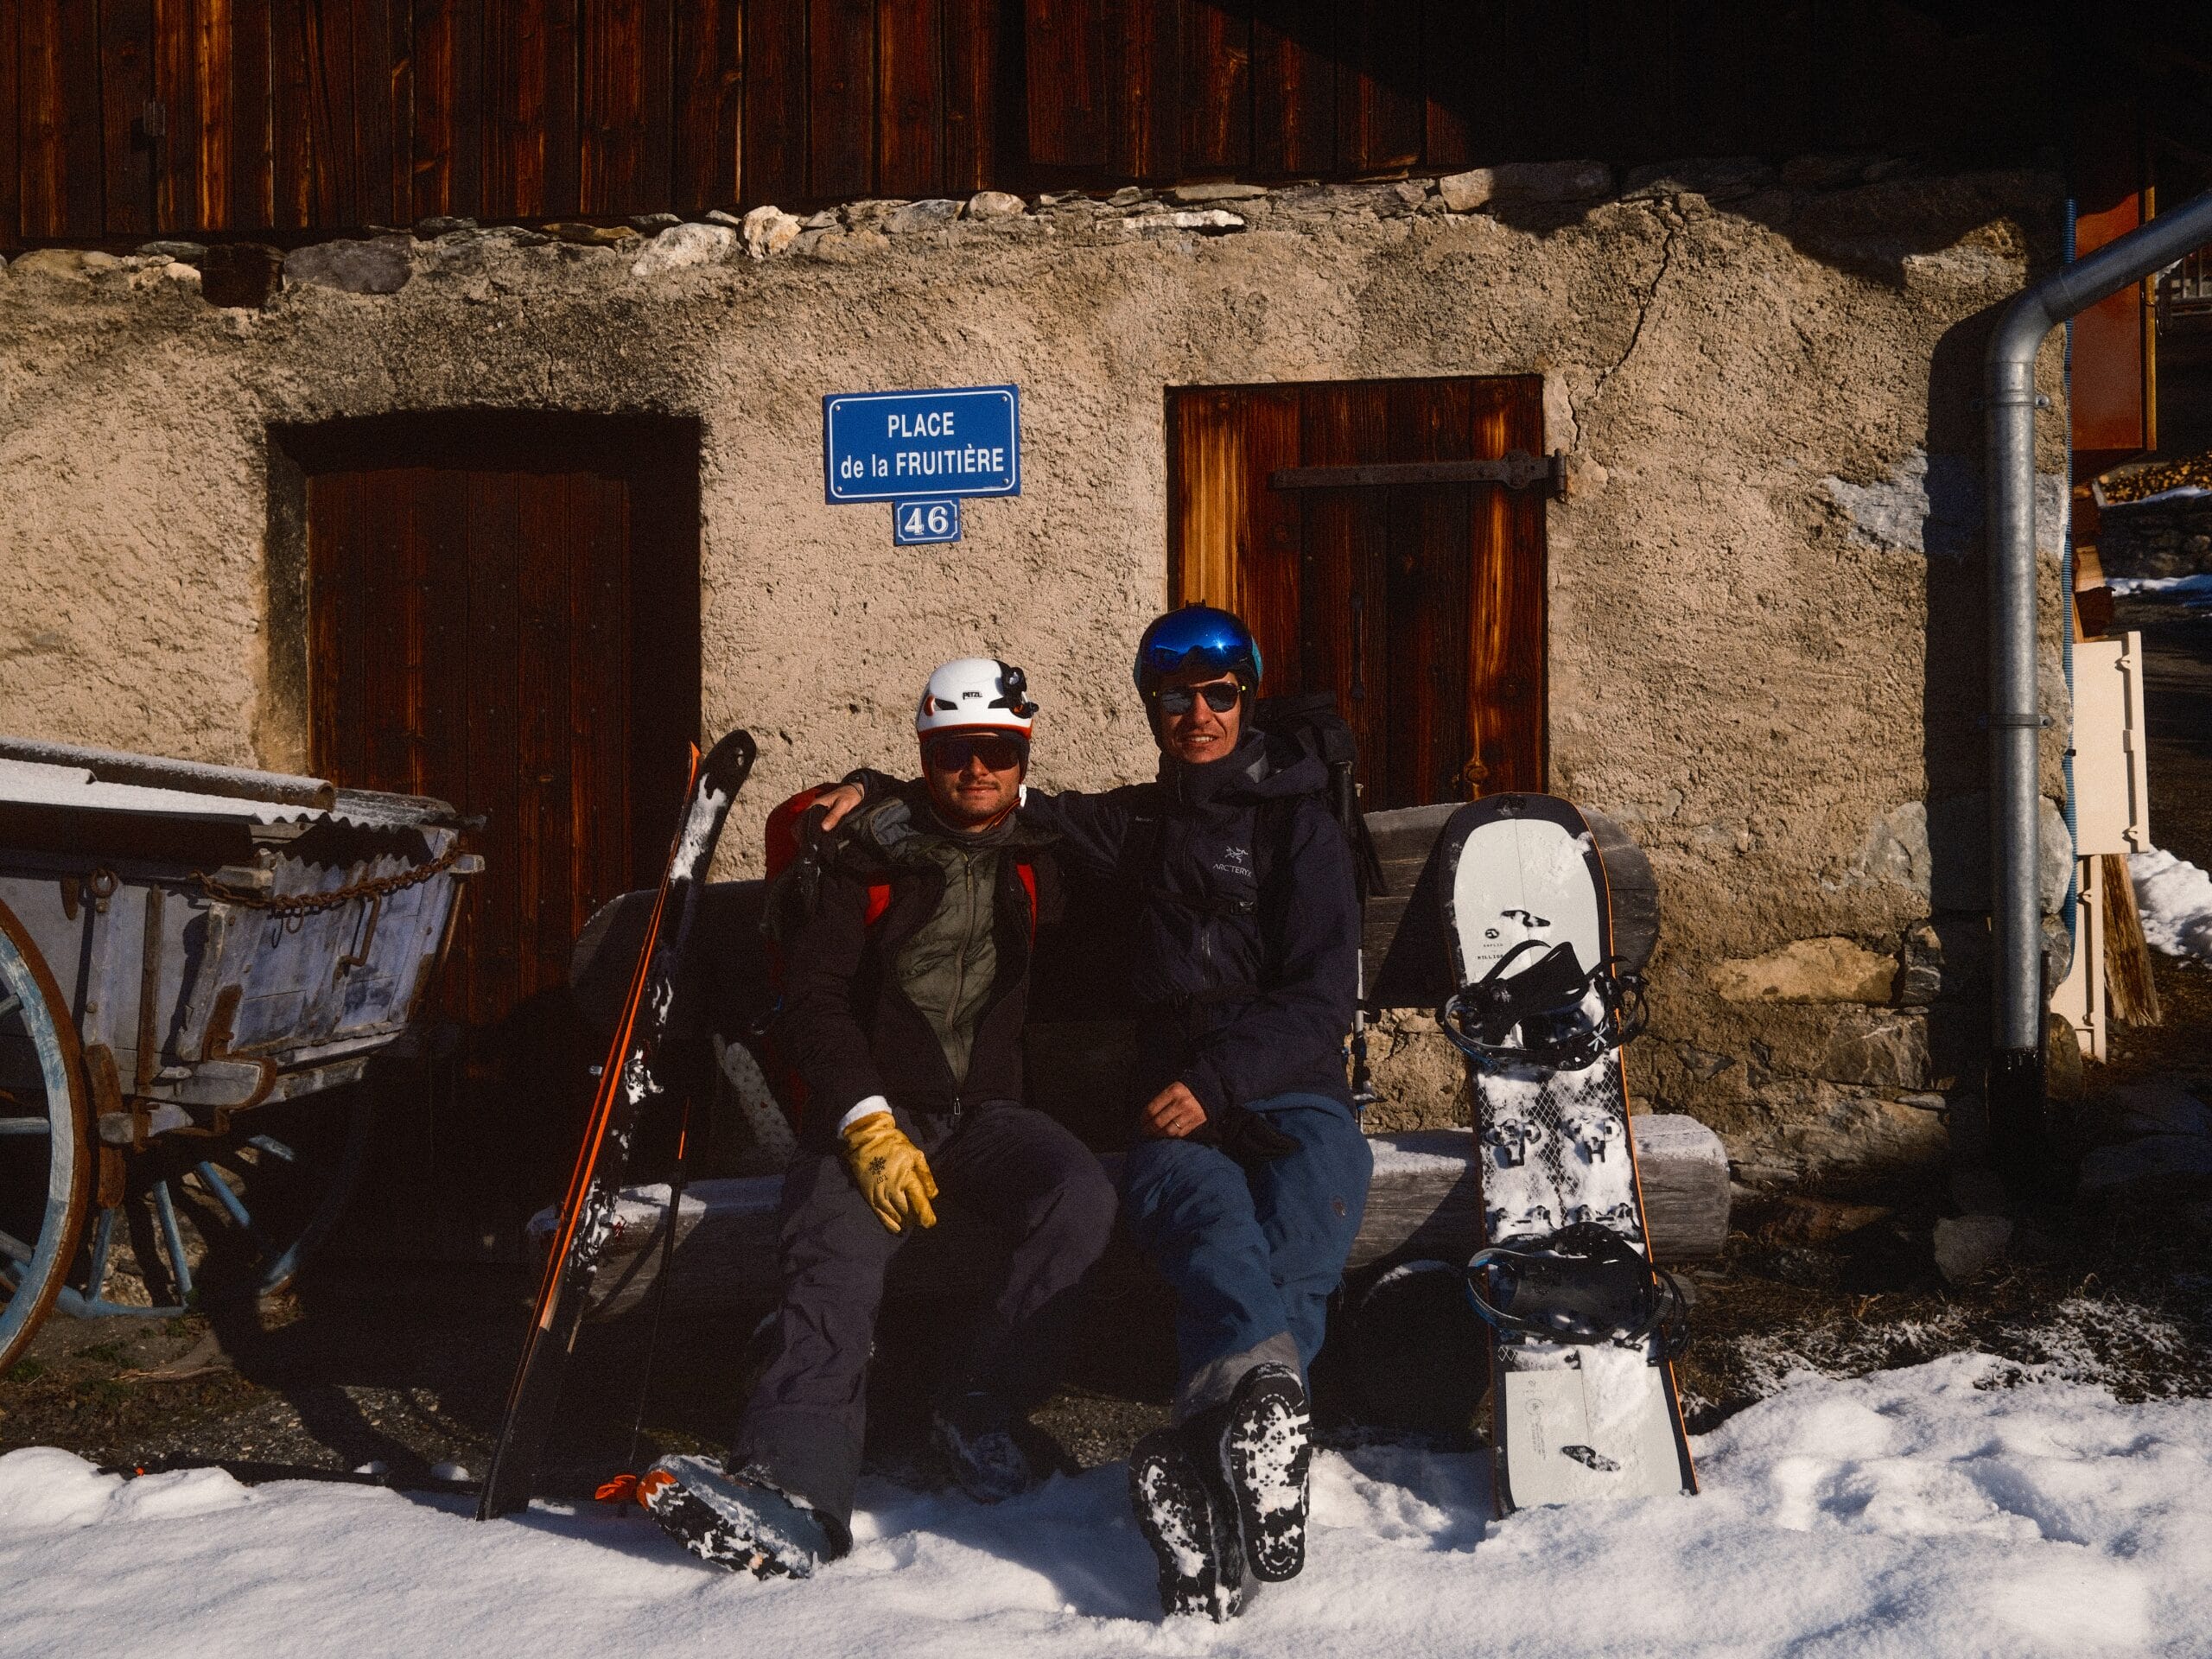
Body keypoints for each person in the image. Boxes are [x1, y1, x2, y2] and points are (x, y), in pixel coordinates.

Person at [820, 606, 1371, 1620]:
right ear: (1151, 708)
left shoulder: (1302, 824)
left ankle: (1218, 1463)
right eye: (1174, 698)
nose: (1196, 714)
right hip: (1169, 1100)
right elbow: (985, 793)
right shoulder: (1137, 825)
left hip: (1284, 1087)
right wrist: (890, 785)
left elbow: (1321, 1000)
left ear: (1246, 697)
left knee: (1310, 1224)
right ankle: (1251, 1460)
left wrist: (1220, 1081)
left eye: (1218, 695)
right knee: (1207, 1226)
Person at [640, 658, 1118, 1580]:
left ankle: (978, 1412)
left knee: (1081, 1195)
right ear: (923, 753)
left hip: (984, 1115)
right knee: (835, 1252)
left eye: (995, 751)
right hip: (873, 1114)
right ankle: (795, 1487)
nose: (974, 771)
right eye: (951, 753)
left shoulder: (1045, 855)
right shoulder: (863, 853)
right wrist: (863, 1121)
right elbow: (813, 1002)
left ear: (1022, 757)